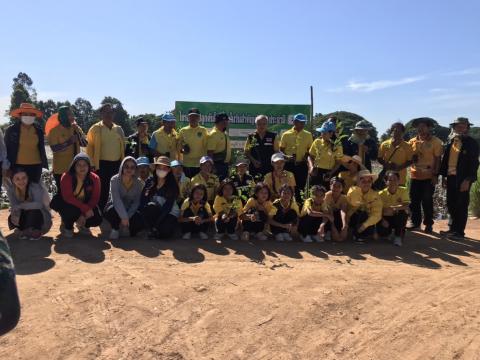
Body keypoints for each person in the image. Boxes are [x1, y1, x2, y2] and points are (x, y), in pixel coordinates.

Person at [439, 117, 480, 241]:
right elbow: (445, 160)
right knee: (451, 204)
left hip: (463, 179)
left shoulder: (471, 143)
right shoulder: (452, 141)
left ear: (467, 128)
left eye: (463, 126)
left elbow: (474, 163)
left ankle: (459, 232)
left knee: (461, 205)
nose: (460, 128)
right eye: (458, 126)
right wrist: (444, 177)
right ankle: (452, 229)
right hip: (451, 178)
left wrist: (468, 180)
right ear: (454, 128)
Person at [50, 153, 102, 238]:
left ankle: (83, 225)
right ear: (74, 166)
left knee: (97, 218)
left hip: (85, 203)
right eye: (79, 165)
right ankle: (67, 226)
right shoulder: (66, 177)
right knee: (70, 211)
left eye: (85, 165)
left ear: (89, 166)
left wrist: (84, 214)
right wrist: (85, 210)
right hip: (69, 204)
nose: (82, 167)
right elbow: (68, 197)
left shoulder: (95, 178)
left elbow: (95, 198)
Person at [86, 103, 125, 209]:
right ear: (101, 114)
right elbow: (89, 148)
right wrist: (92, 164)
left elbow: (123, 147)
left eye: (111, 112)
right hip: (101, 164)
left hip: (117, 164)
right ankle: (101, 211)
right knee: (101, 189)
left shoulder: (119, 129)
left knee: (115, 188)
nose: (109, 114)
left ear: (114, 114)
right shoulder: (95, 129)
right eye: (106, 112)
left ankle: (113, 209)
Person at [407, 117, 443, 233]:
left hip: (429, 176)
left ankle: (428, 224)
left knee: (427, 200)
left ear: (429, 128)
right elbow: (408, 157)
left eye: (423, 126)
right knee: (414, 200)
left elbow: (438, 159)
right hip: (414, 175)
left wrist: (435, 175)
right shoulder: (412, 141)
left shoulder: (436, 142)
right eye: (419, 126)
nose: (420, 128)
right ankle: (415, 222)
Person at [5, 103, 48, 183]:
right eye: (25, 114)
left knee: (35, 191)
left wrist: (45, 166)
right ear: (20, 115)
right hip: (18, 166)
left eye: (31, 114)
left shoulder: (39, 131)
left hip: (36, 166)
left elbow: (42, 150)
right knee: (20, 191)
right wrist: (7, 167)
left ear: (34, 116)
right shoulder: (11, 130)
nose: (28, 116)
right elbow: (5, 150)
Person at [47, 105, 86, 192]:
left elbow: (84, 144)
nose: (72, 116)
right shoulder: (54, 131)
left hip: (76, 168)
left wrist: (78, 133)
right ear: (63, 116)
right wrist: (69, 142)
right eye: (69, 114)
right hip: (60, 169)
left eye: (72, 114)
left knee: (75, 192)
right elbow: (55, 148)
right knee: (62, 193)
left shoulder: (76, 128)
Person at [103, 157, 144, 239]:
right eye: (126, 166)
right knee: (111, 211)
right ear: (122, 167)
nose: (129, 169)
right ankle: (115, 228)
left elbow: (136, 202)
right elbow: (116, 200)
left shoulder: (139, 183)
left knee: (140, 220)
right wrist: (124, 217)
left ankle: (127, 228)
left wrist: (127, 216)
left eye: (132, 167)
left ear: (135, 169)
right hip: (114, 207)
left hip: (129, 210)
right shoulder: (114, 180)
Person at [139, 156, 180, 239]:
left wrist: (156, 225)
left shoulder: (172, 185)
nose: (161, 170)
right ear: (155, 168)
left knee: (165, 232)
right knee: (150, 206)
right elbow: (143, 200)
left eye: (164, 168)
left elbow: (167, 208)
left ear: (169, 170)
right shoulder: (149, 181)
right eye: (159, 167)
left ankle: (159, 229)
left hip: (169, 213)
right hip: (155, 210)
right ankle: (152, 229)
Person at [6, 168, 52, 240]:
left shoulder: (35, 187)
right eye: (17, 179)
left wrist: (20, 206)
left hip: (41, 217)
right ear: (12, 180)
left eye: (24, 178)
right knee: (12, 216)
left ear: (28, 178)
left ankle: (35, 230)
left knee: (34, 211)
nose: (21, 181)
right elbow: (14, 205)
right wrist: (15, 214)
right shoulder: (11, 190)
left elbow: (39, 205)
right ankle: (27, 231)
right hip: (24, 213)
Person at [280, 113, 313, 201]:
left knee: (300, 188)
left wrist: (305, 157)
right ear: (294, 122)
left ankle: (299, 206)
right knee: (288, 187)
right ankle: (288, 204)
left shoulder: (308, 135)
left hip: (302, 165)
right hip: (289, 165)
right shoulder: (286, 134)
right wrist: (286, 156)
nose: (302, 124)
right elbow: (281, 149)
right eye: (300, 122)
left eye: (303, 122)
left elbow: (310, 149)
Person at [347, 170, 383, 243]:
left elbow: (377, 214)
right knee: (361, 211)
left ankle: (360, 234)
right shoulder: (353, 191)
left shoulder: (375, 195)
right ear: (358, 182)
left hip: (366, 220)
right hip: (351, 218)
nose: (366, 184)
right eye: (363, 181)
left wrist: (364, 226)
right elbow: (354, 204)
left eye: (369, 181)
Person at [377, 171, 410, 246]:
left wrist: (393, 209)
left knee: (404, 212)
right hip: (386, 218)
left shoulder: (403, 190)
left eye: (395, 179)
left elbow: (406, 206)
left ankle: (398, 236)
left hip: (397, 216)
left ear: (399, 181)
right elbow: (377, 210)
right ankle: (389, 233)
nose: (392, 182)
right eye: (390, 180)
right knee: (382, 233)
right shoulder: (381, 194)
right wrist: (382, 219)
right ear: (386, 182)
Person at [308, 120, 343, 188]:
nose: (322, 134)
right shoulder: (317, 142)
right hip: (316, 171)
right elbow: (310, 156)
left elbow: (338, 162)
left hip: (329, 173)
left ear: (331, 133)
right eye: (321, 132)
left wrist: (330, 173)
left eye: (324, 133)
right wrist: (311, 167)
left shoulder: (337, 146)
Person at [377, 122, 413, 187]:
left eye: (400, 131)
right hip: (386, 178)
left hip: (400, 179)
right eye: (395, 130)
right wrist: (386, 164)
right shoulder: (384, 144)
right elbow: (379, 158)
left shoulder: (407, 146)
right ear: (391, 131)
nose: (397, 133)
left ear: (403, 132)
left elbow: (410, 161)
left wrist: (399, 168)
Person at [177, 108, 208, 178]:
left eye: (195, 116)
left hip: (200, 165)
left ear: (199, 118)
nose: (193, 118)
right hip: (186, 164)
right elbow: (179, 147)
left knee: (198, 187)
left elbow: (207, 147)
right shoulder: (183, 130)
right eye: (191, 116)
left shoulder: (203, 130)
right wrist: (182, 151)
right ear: (188, 118)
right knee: (187, 186)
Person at [207, 112, 231, 180]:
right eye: (224, 122)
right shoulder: (213, 134)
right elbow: (210, 153)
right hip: (217, 166)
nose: (226, 123)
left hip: (224, 165)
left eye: (227, 121)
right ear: (219, 122)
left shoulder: (224, 133)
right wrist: (212, 167)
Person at [324, 177, 349, 242]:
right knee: (327, 215)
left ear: (342, 188)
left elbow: (343, 212)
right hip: (328, 216)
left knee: (341, 215)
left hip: (337, 216)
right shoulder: (327, 196)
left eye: (339, 186)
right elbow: (329, 211)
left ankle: (340, 231)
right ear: (330, 186)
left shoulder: (344, 198)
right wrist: (333, 227)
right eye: (334, 186)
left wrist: (345, 226)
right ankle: (328, 231)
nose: (336, 188)